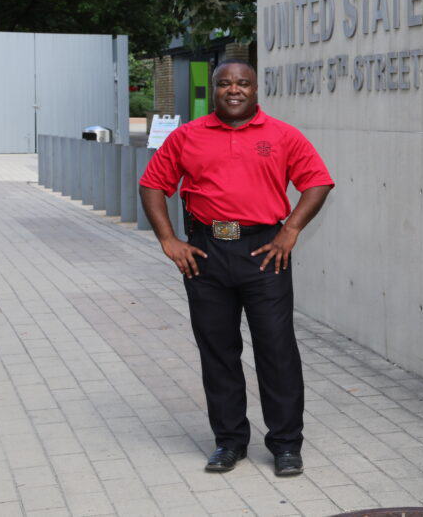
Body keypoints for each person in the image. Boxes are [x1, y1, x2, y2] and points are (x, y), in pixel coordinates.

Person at [138, 59, 333, 476]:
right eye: (225, 83)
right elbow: (152, 184)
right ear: (214, 89)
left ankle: (286, 445)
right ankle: (229, 442)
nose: (234, 89)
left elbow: (317, 181)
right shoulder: (187, 136)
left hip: (265, 251)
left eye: (243, 83)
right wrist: (168, 240)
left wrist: (290, 230)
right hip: (206, 254)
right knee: (218, 350)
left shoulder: (282, 135)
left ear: (255, 89)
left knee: (277, 350)